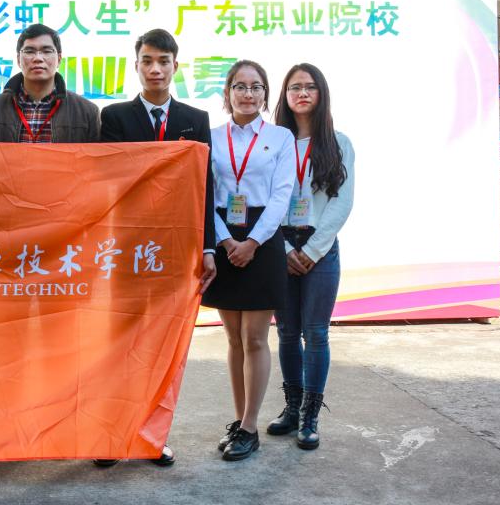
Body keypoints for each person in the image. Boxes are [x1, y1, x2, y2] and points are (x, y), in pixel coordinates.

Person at [94, 28, 216, 468]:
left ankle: (151, 437)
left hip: (176, 251)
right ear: (137, 66)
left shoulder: (195, 119)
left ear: (175, 66)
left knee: (162, 348)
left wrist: (208, 248)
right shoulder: (114, 117)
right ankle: (111, 436)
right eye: (147, 61)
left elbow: (205, 188)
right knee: (120, 344)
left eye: (163, 61)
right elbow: (111, 179)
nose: (156, 69)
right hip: (127, 247)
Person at [201, 60, 295, 461]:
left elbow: (282, 195)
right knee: (233, 338)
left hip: (264, 239)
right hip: (224, 236)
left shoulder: (280, 137)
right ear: (227, 93)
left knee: (255, 338)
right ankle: (239, 422)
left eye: (256, 87)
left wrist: (253, 242)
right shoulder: (211, 137)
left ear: (265, 94)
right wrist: (225, 241)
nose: (248, 94)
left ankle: (251, 427)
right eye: (240, 86)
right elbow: (205, 194)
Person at [267, 63, 354, 450]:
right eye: (294, 87)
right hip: (280, 246)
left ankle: (310, 415)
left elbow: (342, 203)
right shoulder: (274, 143)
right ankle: (291, 408)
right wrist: (286, 250)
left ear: (321, 94)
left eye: (309, 87)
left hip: (321, 248)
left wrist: (313, 250)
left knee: (315, 332)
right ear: (285, 96)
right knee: (286, 332)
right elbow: (266, 201)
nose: (302, 93)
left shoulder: (339, 143)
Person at [0, 23, 99, 143]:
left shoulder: (87, 112)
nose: (38, 58)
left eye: (47, 51)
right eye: (29, 51)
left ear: (59, 59)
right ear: (18, 59)